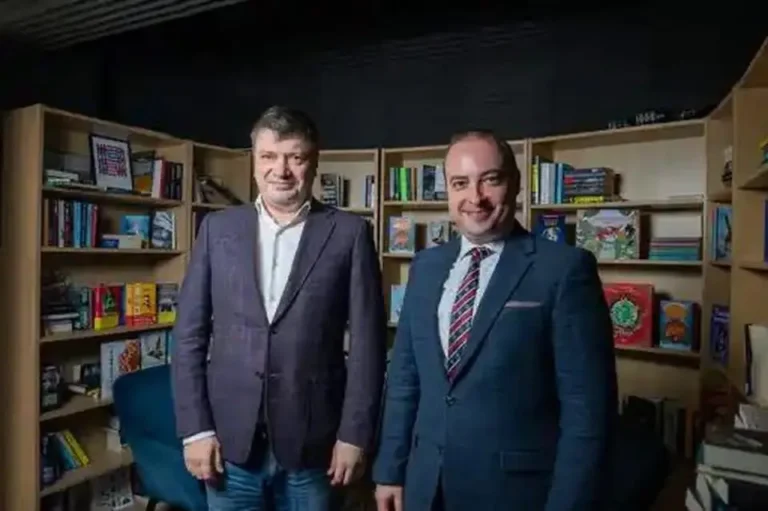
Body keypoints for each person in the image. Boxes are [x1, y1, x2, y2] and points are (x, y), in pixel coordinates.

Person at [372, 130, 618, 511]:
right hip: (425, 487)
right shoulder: (425, 266)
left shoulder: (565, 270)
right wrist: (390, 469)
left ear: (515, 184)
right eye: (460, 183)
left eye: (490, 179)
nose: (476, 197)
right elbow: (405, 378)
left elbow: (587, 411)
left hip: (515, 494)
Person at [172, 105, 387, 510]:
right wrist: (195, 430)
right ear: (254, 160)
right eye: (268, 156)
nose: (280, 170)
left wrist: (354, 435)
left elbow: (368, 347)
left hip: (316, 448)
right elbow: (188, 336)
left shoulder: (351, 234)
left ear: (314, 162)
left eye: (295, 157)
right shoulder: (217, 230)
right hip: (228, 446)